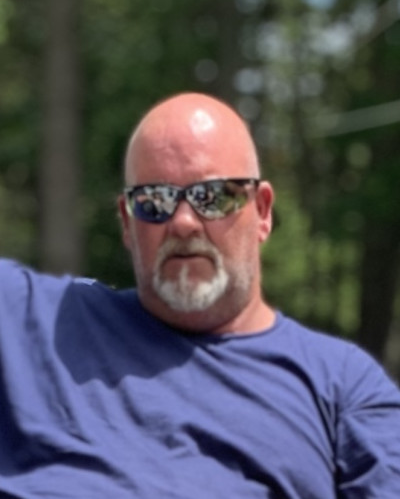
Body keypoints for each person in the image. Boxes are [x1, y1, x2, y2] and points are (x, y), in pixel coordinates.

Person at [0, 92, 399, 499]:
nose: (183, 222)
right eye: (155, 201)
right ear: (126, 221)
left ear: (262, 211)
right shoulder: (35, 320)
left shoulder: (339, 384)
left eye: (213, 197)